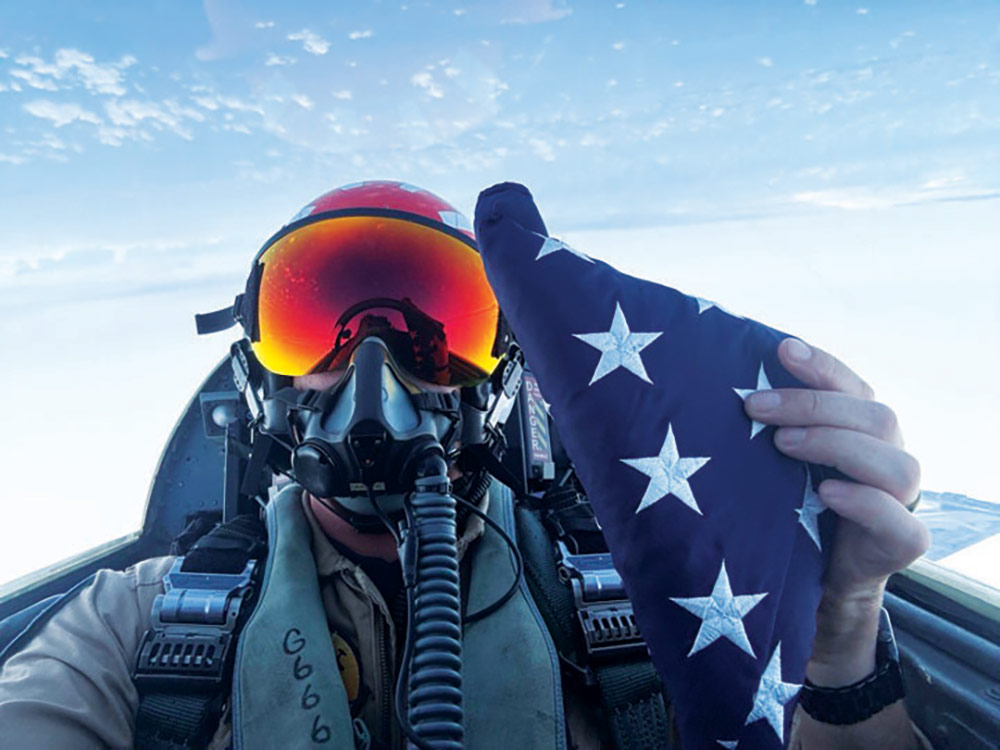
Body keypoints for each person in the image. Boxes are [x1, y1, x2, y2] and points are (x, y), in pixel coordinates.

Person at [0, 181, 932, 749]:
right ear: (261, 380)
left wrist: (839, 636)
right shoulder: (139, 627)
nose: (374, 368)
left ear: (501, 373)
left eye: (432, 328)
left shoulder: (658, 597)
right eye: (314, 323)